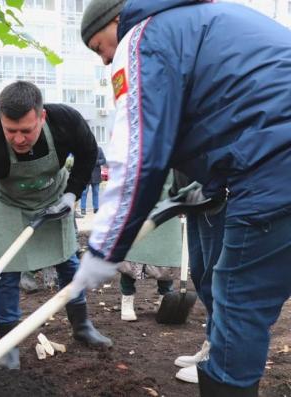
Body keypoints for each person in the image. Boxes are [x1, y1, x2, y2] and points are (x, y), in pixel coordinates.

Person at [73, 1, 291, 395]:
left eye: (99, 45)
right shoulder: (201, 22)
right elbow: (235, 108)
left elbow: (138, 154)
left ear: (116, 22)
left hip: (276, 170)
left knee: (236, 299)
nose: (106, 59)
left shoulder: (143, 36)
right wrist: (209, 184)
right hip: (271, 161)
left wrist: (105, 248)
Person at [0, 81, 112, 369]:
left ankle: (82, 326)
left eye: (26, 130)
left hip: (53, 196)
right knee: (6, 272)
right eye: (11, 131)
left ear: (41, 117)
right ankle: (7, 346)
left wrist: (72, 194)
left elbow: (88, 153)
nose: (18, 139)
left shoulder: (66, 121)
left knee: (68, 262)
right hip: (8, 203)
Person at [170, 172, 226, 384]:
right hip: (194, 202)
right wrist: (177, 193)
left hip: (217, 199)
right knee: (201, 274)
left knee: (217, 280)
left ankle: (221, 353)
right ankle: (212, 343)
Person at [118, 172, 181, 321]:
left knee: (166, 258)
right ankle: (127, 300)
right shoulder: (138, 152)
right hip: (138, 209)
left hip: (169, 210)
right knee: (131, 258)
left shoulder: (178, 153)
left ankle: (164, 300)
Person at [79, 145, 106, 216]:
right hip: (86, 175)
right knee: (84, 192)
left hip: (96, 175)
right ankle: (83, 209)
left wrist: (95, 162)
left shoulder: (99, 149)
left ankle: (96, 208)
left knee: (96, 192)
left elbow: (103, 160)